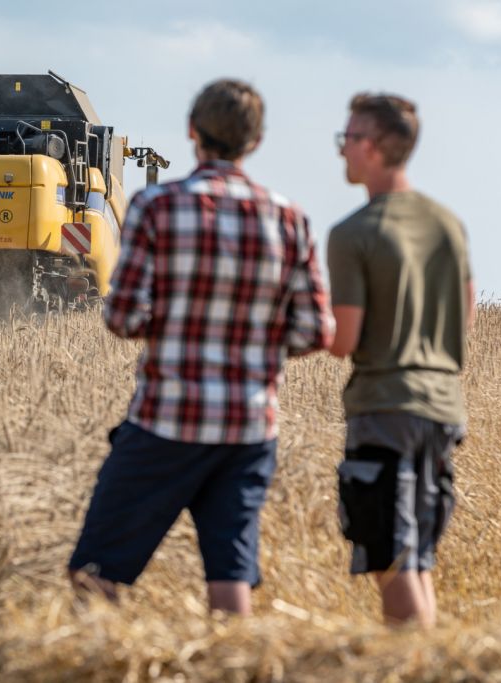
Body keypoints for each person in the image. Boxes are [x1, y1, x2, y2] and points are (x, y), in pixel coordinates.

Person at [67, 79, 333, 614]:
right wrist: (254, 339)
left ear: (192, 132)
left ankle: (92, 653)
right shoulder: (289, 217)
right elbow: (315, 331)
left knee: (94, 572)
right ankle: (230, 655)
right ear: (256, 141)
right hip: (250, 427)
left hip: (166, 420)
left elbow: (122, 316)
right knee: (230, 577)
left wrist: (179, 325)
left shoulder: (157, 206)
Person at [327, 93, 475, 628]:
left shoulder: (353, 233)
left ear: (373, 146)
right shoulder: (447, 223)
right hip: (443, 407)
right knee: (418, 559)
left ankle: (407, 660)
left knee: (390, 559)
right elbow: (465, 312)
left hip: (385, 408)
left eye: (348, 138)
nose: (341, 149)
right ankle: (426, 660)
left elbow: (344, 339)